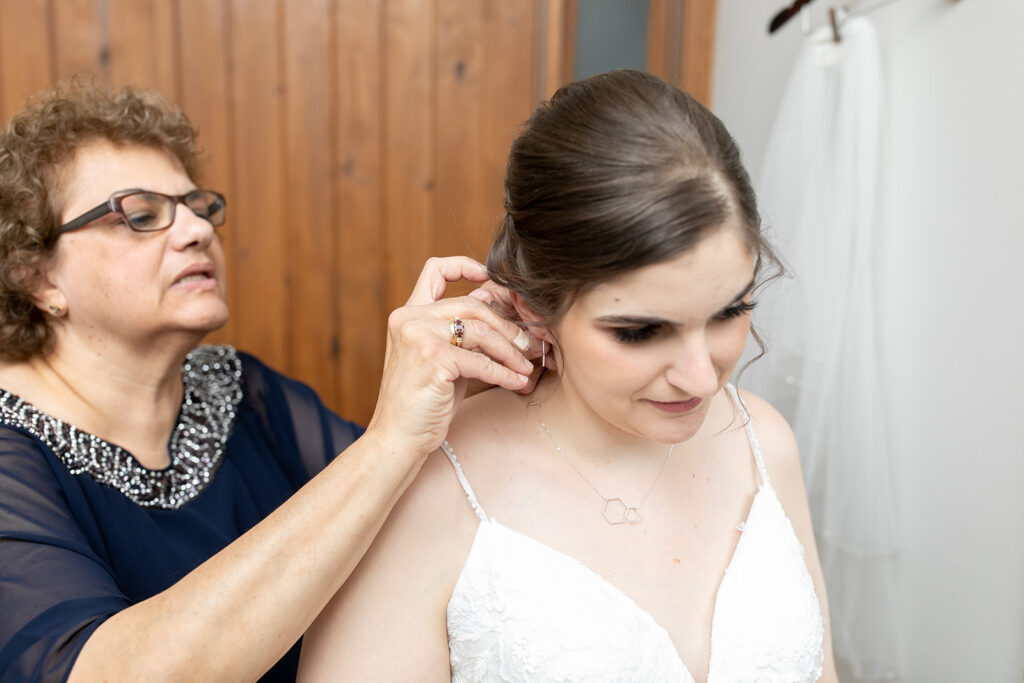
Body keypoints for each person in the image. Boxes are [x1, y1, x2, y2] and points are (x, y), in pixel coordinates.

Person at [298, 70, 839, 682]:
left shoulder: (764, 443)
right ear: (535, 307)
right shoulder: (432, 485)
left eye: (729, 312)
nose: (699, 378)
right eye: (639, 331)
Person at [0, 79, 541, 681]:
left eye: (198, 207)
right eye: (142, 214)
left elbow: (427, 504)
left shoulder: (238, 391)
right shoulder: (8, 458)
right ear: (36, 276)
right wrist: (390, 437)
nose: (198, 231)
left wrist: (534, 344)